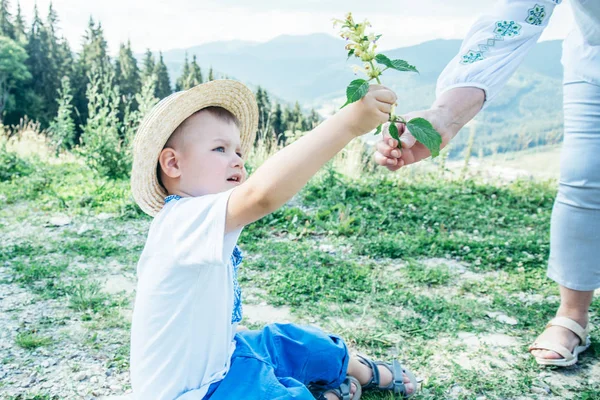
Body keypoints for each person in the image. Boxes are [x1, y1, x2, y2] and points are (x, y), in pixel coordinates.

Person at [128, 79, 418, 399]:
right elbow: (261, 195)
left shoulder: (201, 219)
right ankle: (324, 394)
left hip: (226, 359)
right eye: (220, 149)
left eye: (238, 150)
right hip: (195, 393)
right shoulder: (179, 222)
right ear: (173, 163)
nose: (238, 159)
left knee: (292, 342)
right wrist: (348, 124)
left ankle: (358, 369)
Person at [374, 0, 598, 367]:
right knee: (583, 178)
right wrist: (445, 115)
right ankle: (573, 314)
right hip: (596, 61)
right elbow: (512, 22)